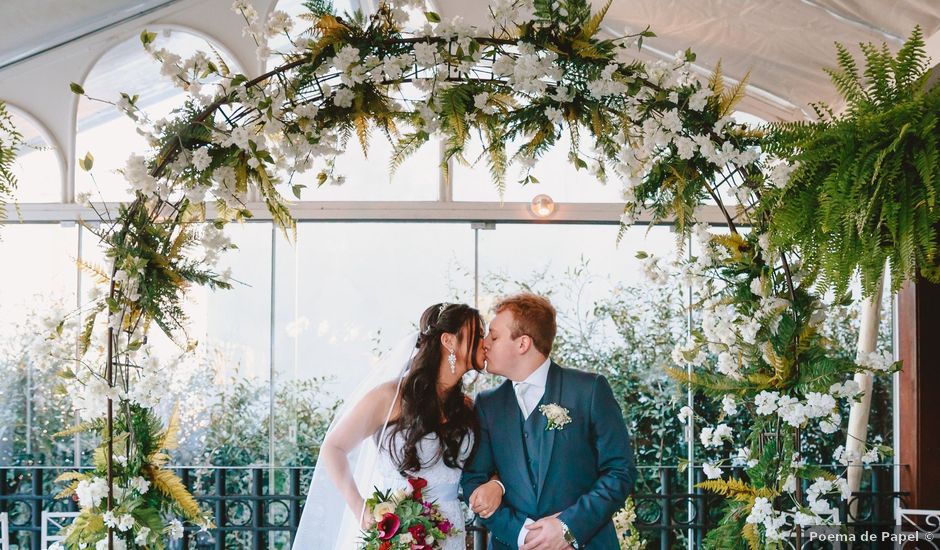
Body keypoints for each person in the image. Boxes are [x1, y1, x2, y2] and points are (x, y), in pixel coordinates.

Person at [292, 302, 502, 550]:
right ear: (449, 341)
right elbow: (333, 447)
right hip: (399, 531)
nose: (485, 342)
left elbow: (487, 464)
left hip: (450, 530)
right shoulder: (390, 397)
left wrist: (495, 483)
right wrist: (361, 510)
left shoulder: (466, 407)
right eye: (477, 335)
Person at [462, 292, 637, 549]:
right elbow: (474, 480)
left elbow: (620, 471)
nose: (484, 343)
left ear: (523, 344)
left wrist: (568, 527)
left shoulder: (589, 390)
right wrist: (522, 535)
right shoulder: (488, 405)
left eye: (494, 336)